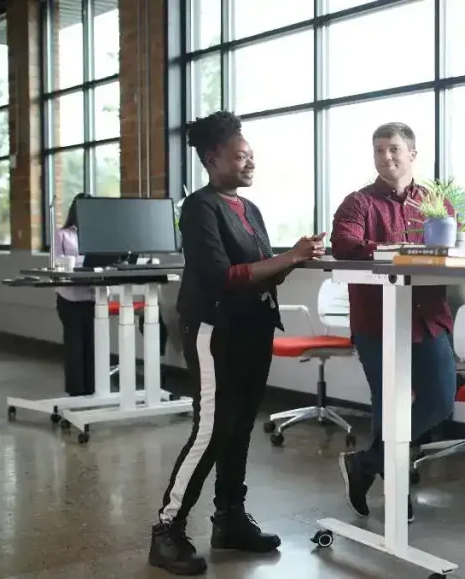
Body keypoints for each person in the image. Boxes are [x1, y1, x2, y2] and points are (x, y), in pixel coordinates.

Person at [149, 110, 325, 576]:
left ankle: (229, 518)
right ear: (211, 158)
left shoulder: (249, 209)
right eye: (239, 155)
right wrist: (289, 256)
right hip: (214, 331)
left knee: (240, 425)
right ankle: (167, 530)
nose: (250, 162)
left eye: (251, 155)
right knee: (212, 428)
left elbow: (262, 267)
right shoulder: (200, 207)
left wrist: (297, 257)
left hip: (253, 328)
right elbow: (223, 277)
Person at [331, 122, 458, 522]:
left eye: (394, 149)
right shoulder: (358, 203)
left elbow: (450, 247)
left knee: (440, 401)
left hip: (429, 318)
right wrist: (398, 250)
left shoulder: (436, 203)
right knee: (389, 406)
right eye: (379, 150)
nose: (386, 156)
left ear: (412, 155)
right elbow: (346, 244)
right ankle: (395, 487)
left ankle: (367, 463)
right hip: (378, 321)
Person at [52, 193, 95, 397]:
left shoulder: (97, 234)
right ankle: (75, 392)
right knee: (75, 345)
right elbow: (57, 263)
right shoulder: (63, 234)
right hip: (70, 297)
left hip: (92, 296)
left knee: (92, 345)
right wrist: (81, 263)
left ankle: (92, 389)